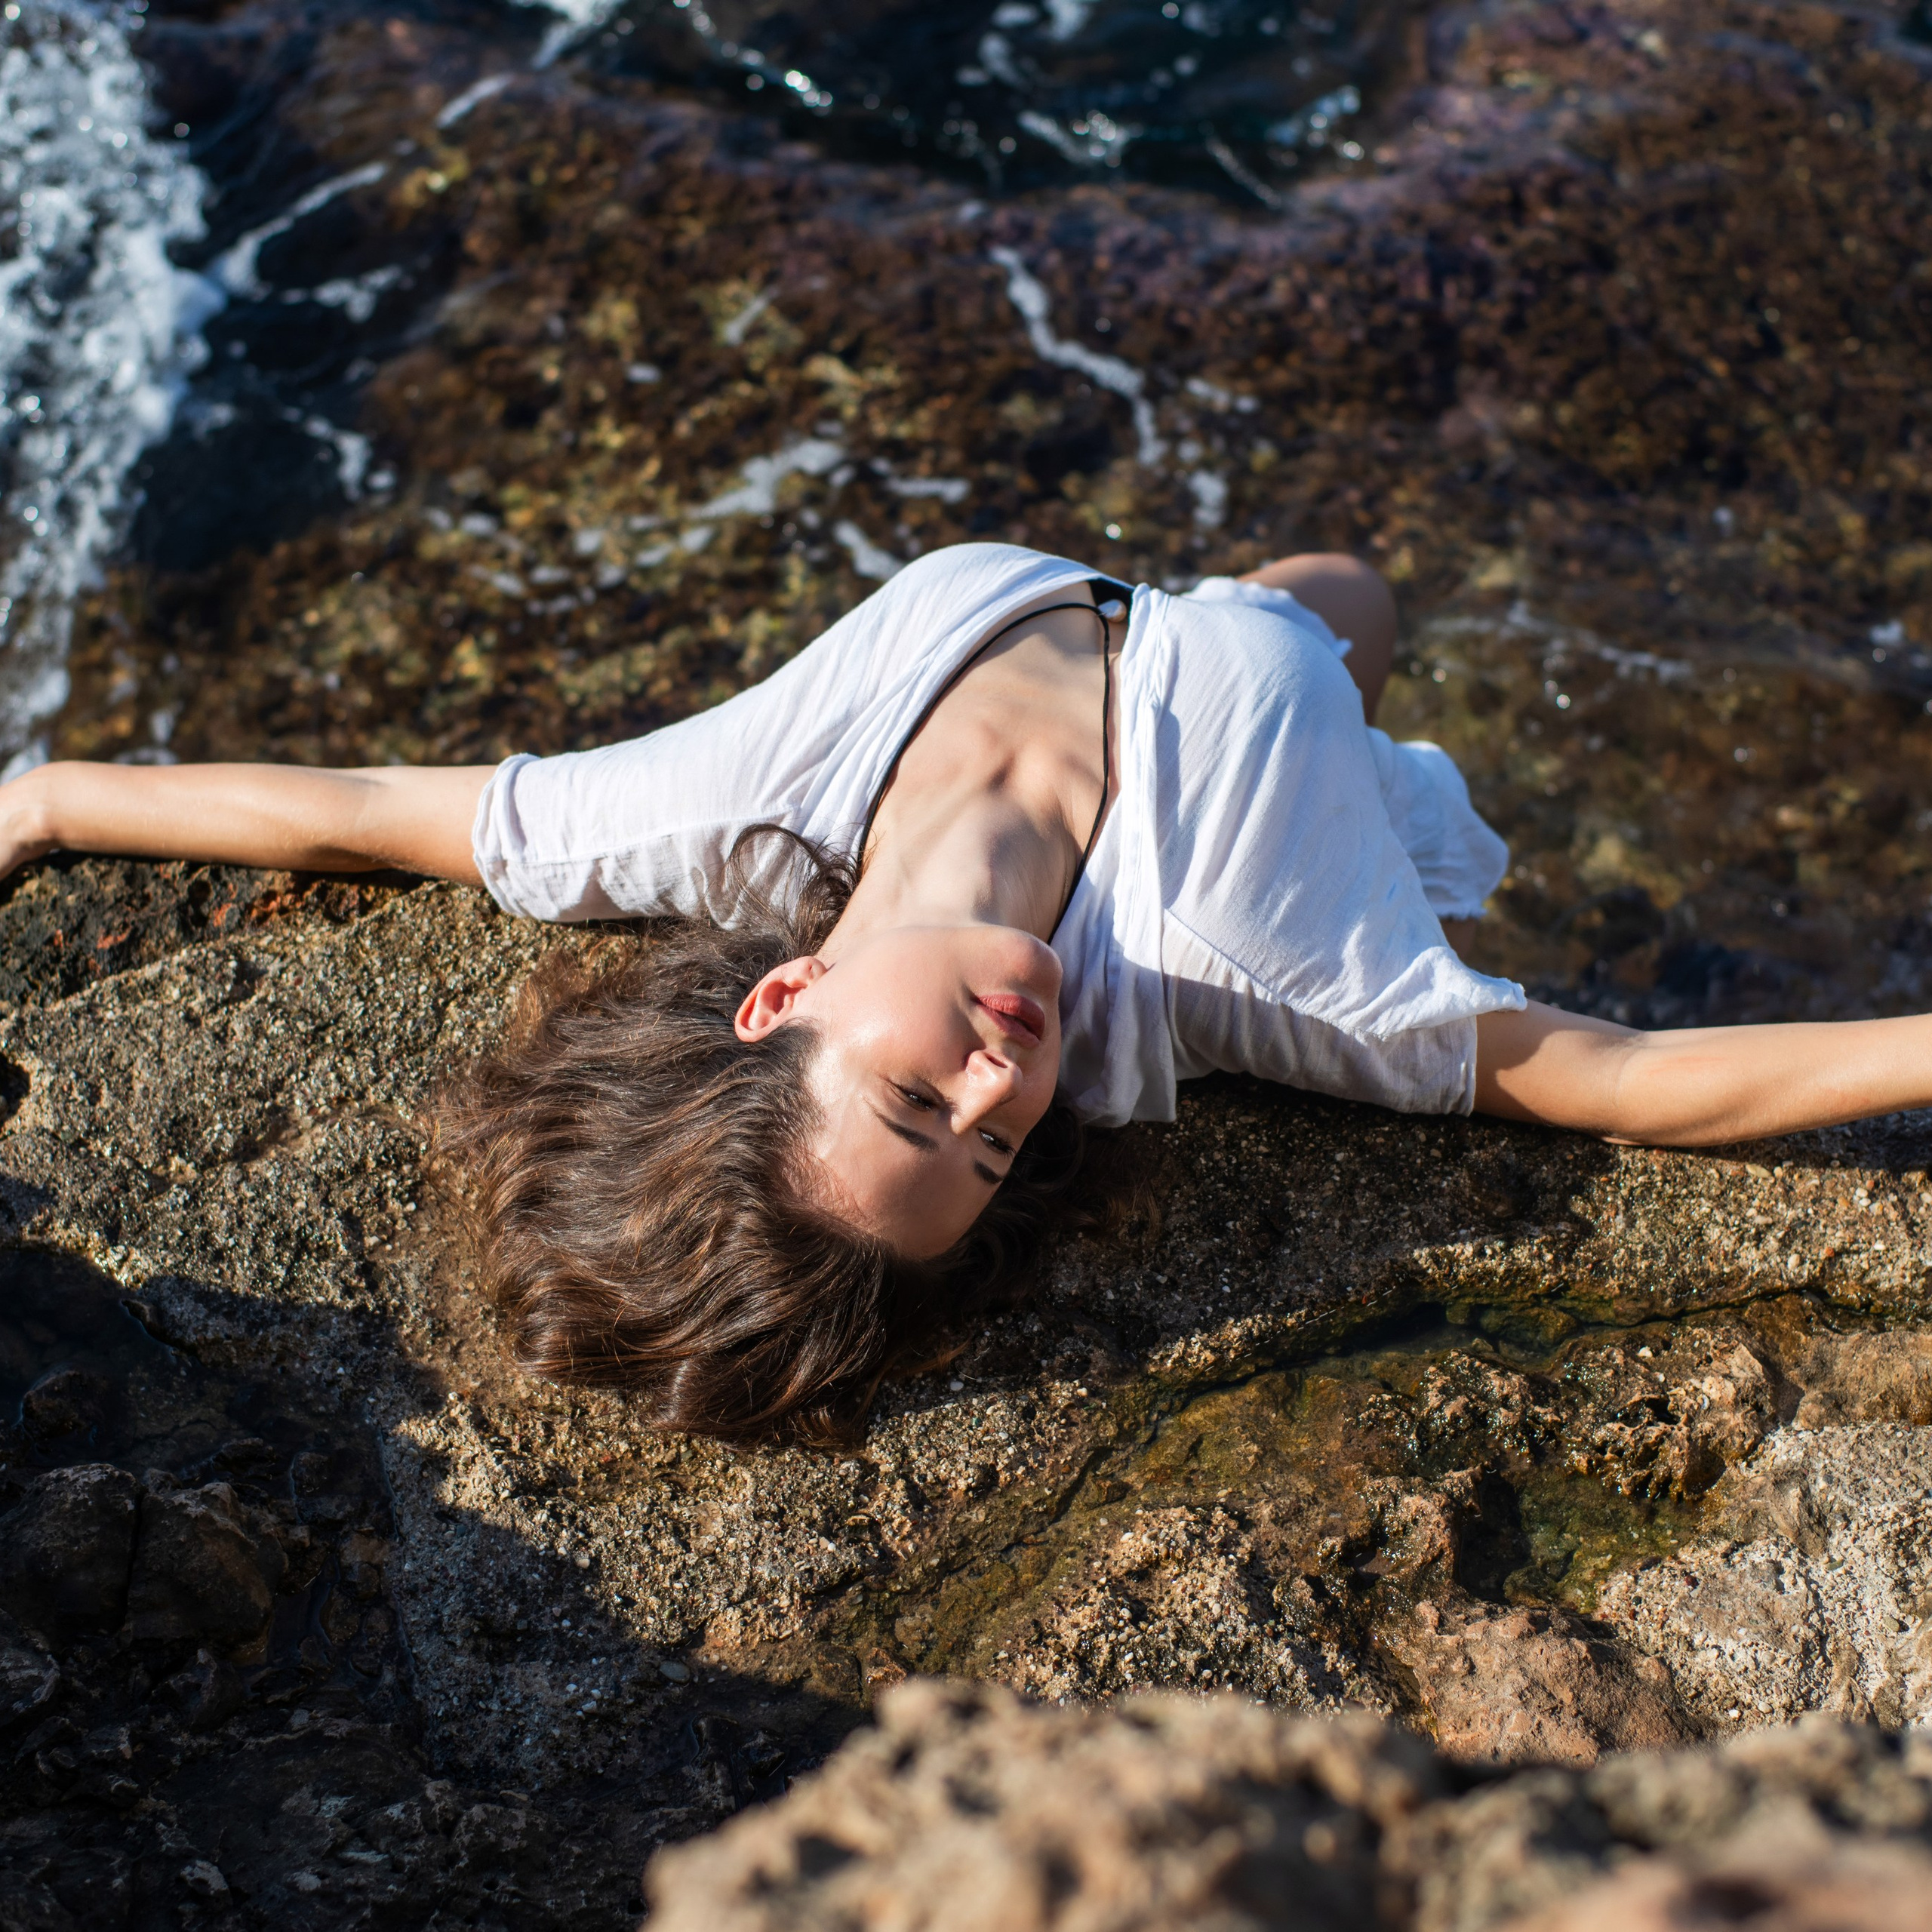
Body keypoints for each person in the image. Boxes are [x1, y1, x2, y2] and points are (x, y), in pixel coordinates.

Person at [3, 542, 1926, 1441]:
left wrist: (42, 799)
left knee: (1308, 591)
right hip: (1317, 741)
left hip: (1141, 609)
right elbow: (1613, 1076)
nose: (1010, 1084)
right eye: (999, 1151)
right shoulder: (1244, 968)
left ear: (778, 1000)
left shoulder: (719, 821)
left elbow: (354, 813)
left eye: (921, 1097)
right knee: (1350, 612)